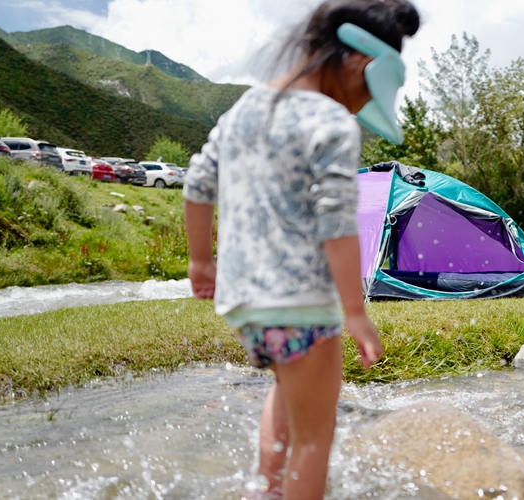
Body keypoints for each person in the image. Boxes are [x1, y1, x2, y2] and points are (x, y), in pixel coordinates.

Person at [182, 1, 420, 498]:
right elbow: (336, 220)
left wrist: (201, 262)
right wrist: (355, 311)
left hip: (246, 302)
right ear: (360, 62)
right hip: (302, 303)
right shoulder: (331, 121)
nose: (359, 106)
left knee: (284, 393)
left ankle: (264, 490)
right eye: (366, 91)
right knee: (316, 437)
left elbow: (198, 181)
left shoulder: (246, 106)